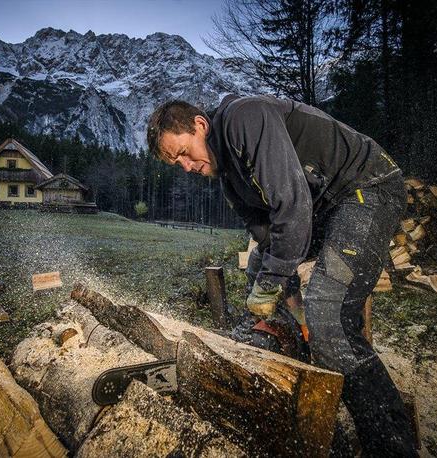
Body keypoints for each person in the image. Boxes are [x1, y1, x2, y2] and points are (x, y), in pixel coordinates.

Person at [146, 95, 418, 456]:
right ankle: (297, 348)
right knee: (263, 264)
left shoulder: (244, 117)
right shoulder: (230, 177)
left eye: (182, 152)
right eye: (174, 162)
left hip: (366, 187)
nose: (185, 166)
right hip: (328, 206)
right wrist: (287, 299)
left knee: (329, 314)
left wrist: (272, 288)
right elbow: (267, 236)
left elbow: (293, 207)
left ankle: (391, 444)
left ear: (200, 126)